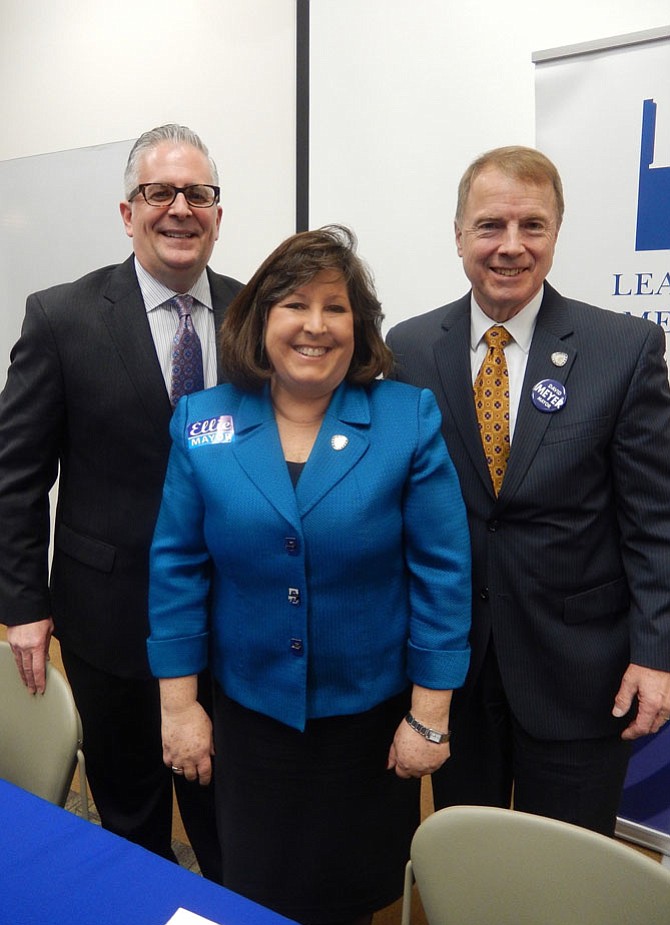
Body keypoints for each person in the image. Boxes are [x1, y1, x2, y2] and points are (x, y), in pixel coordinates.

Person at [147, 225, 471, 925]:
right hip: (251, 720)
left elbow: (443, 573)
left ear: (360, 324)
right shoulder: (204, 421)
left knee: (354, 896)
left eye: (336, 306)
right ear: (262, 318)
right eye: (295, 305)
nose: (315, 325)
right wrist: (179, 707)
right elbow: (176, 567)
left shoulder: (404, 417)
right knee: (254, 888)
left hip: (367, 725)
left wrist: (431, 716)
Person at [386, 145, 670, 837]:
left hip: (579, 675)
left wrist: (656, 654)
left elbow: (653, 520)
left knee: (568, 877)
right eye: (490, 226)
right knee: (469, 860)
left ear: (555, 233)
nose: (510, 246)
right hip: (456, 670)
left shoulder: (623, 347)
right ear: (459, 234)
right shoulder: (411, 347)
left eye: (532, 226)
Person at [0, 124, 242, 879]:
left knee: (230, 814)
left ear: (217, 212)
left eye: (197, 193)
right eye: (158, 192)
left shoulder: (254, 317)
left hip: (236, 618)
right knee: (131, 814)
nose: (179, 208)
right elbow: (15, 475)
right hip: (110, 619)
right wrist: (22, 605)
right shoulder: (62, 317)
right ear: (127, 210)